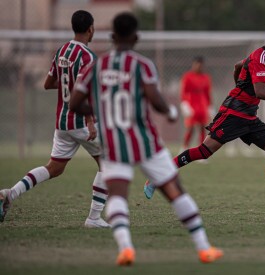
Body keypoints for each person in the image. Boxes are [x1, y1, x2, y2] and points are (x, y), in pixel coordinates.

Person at [69, 12, 223, 266]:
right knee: (175, 191)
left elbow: (75, 103)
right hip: (145, 142)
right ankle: (204, 248)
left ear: (112, 36)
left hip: (113, 143)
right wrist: (172, 112)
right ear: (136, 37)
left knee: (117, 195)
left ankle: (126, 247)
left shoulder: (96, 66)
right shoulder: (142, 65)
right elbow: (156, 100)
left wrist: (99, 112)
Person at [144, 22, 265, 216]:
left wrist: (239, 83)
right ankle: (157, 177)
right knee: (204, 151)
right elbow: (260, 91)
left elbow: (238, 65)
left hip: (249, 116)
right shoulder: (261, 58)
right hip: (233, 114)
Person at [0, 10, 109, 228]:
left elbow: (48, 84)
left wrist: (67, 85)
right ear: (91, 29)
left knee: (54, 168)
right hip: (81, 123)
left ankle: (10, 193)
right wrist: (89, 121)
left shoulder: (62, 51)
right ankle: (94, 218)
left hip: (62, 122)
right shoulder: (88, 57)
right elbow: (84, 90)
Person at [180, 56, 213, 150]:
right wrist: (184, 105)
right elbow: (183, 92)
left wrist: (210, 107)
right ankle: (184, 148)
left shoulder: (206, 77)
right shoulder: (187, 76)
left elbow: (207, 93)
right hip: (191, 105)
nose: (199, 67)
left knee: (203, 128)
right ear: (193, 65)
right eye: (197, 65)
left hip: (202, 105)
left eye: (201, 65)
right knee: (190, 127)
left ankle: (201, 150)